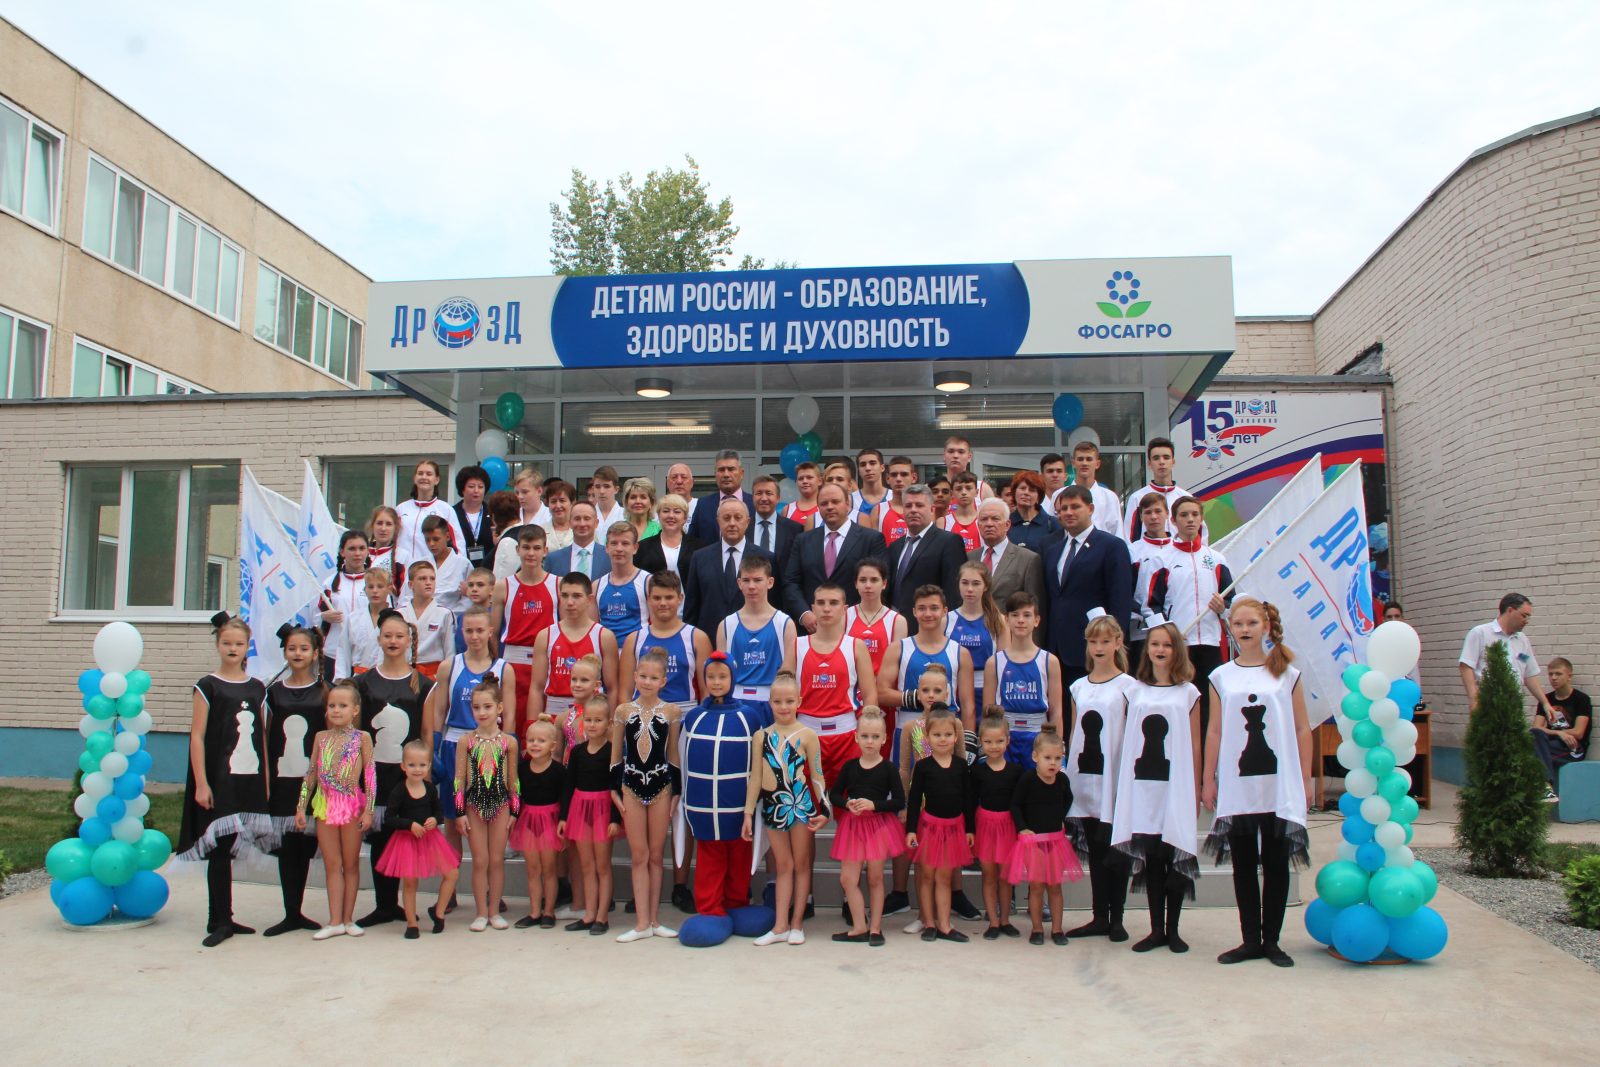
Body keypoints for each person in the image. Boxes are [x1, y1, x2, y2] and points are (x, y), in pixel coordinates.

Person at [1202, 598, 1311, 967]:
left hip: (1277, 783)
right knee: (1244, 862)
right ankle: (1250, 939)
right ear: (1229, 628)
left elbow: (1301, 728)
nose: (1245, 630)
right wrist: (1208, 779)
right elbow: (1215, 731)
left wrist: (1305, 779)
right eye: (1238, 624)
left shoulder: (1286, 674)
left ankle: (1272, 941)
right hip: (1238, 784)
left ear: (1265, 625)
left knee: (1277, 861)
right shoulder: (1221, 677)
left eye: (1251, 623)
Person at [180, 613, 271, 946]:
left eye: (239, 643)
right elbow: (197, 735)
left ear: (248, 647)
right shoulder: (208, 686)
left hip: (247, 776)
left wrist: (266, 781)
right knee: (218, 848)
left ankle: (222, 916)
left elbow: (262, 736)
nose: (233, 648)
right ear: (218, 644)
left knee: (232, 845)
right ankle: (219, 920)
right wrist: (202, 782)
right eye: (227, 643)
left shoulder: (257, 687)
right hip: (219, 778)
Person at [1112, 621, 1201, 953]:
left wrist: (1196, 788)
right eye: (1154, 644)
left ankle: (1174, 929)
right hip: (1143, 786)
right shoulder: (1135, 691)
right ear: (1146, 649)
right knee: (1151, 857)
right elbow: (1128, 741)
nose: (1160, 650)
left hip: (1174, 785)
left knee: (1171, 850)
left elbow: (1194, 744)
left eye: (1167, 645)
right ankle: (1155, 929)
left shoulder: (1188, 693)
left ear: (1177, 650)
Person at [425, 605, 507, 921]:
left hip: (491, 750)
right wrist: (434, 747)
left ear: (490, 632)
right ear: (462, 632)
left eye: (479, 630)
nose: (474, 636)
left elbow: (510, 715)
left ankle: (491, 892)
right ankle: (450, 891)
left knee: (489, 821)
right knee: (452, 823)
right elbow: (439, 709)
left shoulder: (504, 668)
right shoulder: (450, 665)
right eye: (469, 630)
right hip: (454, 745)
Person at [354, 609, 434, 929]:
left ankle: (403, 902)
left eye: (399, 636)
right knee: (380, 839)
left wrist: (426, 777)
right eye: (387, 635)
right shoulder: (363, 682)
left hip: (408, 776)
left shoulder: (423, 684)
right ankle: (383, 905)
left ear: (409, 640)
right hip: (374, 775)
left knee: (403, 839)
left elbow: (426, 732)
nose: (393, 641)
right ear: (378, 639)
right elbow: (358, 734)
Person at [1064, 616, 1137, 942]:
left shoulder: (1129, 687)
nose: (1099, 648)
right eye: (1094, 641)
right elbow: (1074, 733)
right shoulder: (1078, 687)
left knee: (1115, 847)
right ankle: (1099, 916)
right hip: (1085, 777)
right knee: (1094, 848)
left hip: (1113, 777)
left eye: (1106, 641)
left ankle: (1117, 917)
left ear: (1118, 643)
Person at [745, 670, 829, 945]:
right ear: (769, 702)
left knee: (801, 864)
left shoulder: (808, 735)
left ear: (799, 701)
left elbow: (817, 775)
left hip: (800, 807)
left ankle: (797, 924)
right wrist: (748, 813)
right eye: (778, 702)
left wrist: (825, 809)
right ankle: (780, 925)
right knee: (783, 865)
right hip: (773, 807)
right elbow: (756, 777)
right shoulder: (761, 736)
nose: (784, 707)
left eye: (789, 701)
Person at [680, 653, 764, 922]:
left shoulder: (749, 718)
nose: (716, 682)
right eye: (711, 677)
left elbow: (758, 763)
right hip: (705, 807)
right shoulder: (694, 717)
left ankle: (737, 902)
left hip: (739, 805)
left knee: (739, 856)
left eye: (722, 676)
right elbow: (684, 758)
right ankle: (710, 908)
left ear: (733, 678)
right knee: (710, 858)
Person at [1146, 496, 1234, 740]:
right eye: (1184, 515)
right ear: (1173, 521)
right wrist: (1167, 635)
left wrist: (1222, 608)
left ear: (1201, 518)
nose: (1190, 520)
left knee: (1209, 707)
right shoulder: (1162, 559)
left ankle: (1207, 758)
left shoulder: (1216, 559)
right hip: (1179, 646)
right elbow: (1151, 606)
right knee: (1179, 703)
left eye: (1195, 514)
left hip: (1211, 643)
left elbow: (1231, 601)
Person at [296, 679, 375, 940]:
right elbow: (311, 773)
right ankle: (334, 921)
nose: (336, 710)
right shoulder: (321, 738)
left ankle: (348, 919)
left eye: (343, 705)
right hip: (325, 806)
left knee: (350, 864)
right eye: (332, 706)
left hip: (351, 807)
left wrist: (369, 810)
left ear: (355, 709)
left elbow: (370, 776)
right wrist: (301, 806)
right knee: (333, 864)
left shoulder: (362, 738)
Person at [612, 648, 682, 942]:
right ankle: (641, 923)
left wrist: (676, 791)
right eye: (643, 676)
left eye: (654, 678)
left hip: (661, 786)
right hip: (630, 786)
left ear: (663, 681)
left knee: (655, 855)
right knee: (638, 855)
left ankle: (654, 919)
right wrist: (614, 790)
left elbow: (673, 754)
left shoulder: (671, 712)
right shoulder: (623, 711)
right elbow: (616, 755)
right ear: (634, 676)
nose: (647, 682)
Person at [263, 625, 327, 938]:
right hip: (283, 780)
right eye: (292, 648)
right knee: (287, 847)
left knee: (306, 844)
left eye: (304, 648)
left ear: (315, 653)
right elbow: (265, 737)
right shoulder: (273, 693)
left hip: (315, 782)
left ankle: (301, 910)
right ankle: (291, 912)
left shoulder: (325, 692)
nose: (298, 654)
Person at [828, 707, 906, 946]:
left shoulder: (888, 768)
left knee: (875, 878)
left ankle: (875, 929)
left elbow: (899, 801)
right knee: (847, 879)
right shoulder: (850, 767)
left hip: (879, 827)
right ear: (856, 737)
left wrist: (875, 805)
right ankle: (859, 926)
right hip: (853, 826)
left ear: (884, 739)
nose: (870, 741)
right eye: (865, 736)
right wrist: (847, 803)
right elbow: (834, 794)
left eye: (875, 737)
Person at [1043, 485, 1133, 689]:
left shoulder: (1112, 546)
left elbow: (1120, 598)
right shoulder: (1052, 550)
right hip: (1057, 649)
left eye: (1075, 507)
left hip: (1094, 647)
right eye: (1063, 508)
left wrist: (1115, 642)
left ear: (1090, 509)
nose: (1068, 512)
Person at [451, 673, 519, 932]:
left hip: (501, 805)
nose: (482, 712)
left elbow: (513, 780)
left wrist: (514, 811)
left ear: (499, 708)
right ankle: (480, 912)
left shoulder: (508, 742)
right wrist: (460, 812)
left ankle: (494, 911)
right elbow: (459, 779)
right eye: (476, 707)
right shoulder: (465, 741)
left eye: (487, 707)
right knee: (480, 860)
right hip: (474, 806)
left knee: (497, 859)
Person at [376, 739, 461, 939]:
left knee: (452, 873)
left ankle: (439, 912)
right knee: (410, 883)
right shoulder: (399, 790)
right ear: (403, 766)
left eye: (422, 765)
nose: (417, 769)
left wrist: (435, 819)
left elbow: (439, 812)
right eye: (412, 765)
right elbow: (389, 817)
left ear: (429, 766)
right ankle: (412, 923)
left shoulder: (430, 789)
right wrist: (409, 825)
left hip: (430, 839)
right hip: (407, 841)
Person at [1006, 728, 1083, 946]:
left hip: (1055, 841)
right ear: (1035, 757)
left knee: (1055, 886)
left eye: (1058, 758)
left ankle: (1057, 929)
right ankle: (1037, 928)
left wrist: (1060, 819)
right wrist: (1022, 828)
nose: (1053, 763)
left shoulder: (1062, 781)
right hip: (1033, 842)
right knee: (1037, 886)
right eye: (1047, 758)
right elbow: (1015, 804)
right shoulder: (1028, 779)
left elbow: (1068, 799)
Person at [903, 707, 974, 943]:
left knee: (944, 877)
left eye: (947, 735)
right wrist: (911, 829)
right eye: (937, 735)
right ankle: (929, 923)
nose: (942, 739)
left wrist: (970, 829)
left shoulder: (961, 766)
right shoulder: (923, 767)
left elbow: (968, 799)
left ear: (955, 737)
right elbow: (915, 800)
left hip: (953, 828)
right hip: (929, 829)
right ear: (927, 737)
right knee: (927, 876)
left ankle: (944, 925)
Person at [797, 582, 878, 787]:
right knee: (808, 802)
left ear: (844, 609)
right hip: (806, 735)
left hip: (847, 736)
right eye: (821, 603)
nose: (826, 608)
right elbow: (784, 693)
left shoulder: (856, 646)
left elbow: (870, 695)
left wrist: (869, 735)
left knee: (849, 800)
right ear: (813, 608)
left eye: (833, 603)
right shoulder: (797, 645)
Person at [880, 585, 976, 746]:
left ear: (945, 611)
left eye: (934, 608)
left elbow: (968, 705)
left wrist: (968, 743)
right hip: (910, 729)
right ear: (914, 612)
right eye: (922, 608)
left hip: (946, 731)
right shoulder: (898, 648)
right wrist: (916, 697)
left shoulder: (960, 652)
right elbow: (881, 693)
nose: (928, 614)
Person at [784, 482, 887, 628]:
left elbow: (878, 583)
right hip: (812, 627)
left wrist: (854, 617)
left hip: (856, 626)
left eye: (835, 502)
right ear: (818, 507)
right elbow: (791, 582)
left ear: (847, 504)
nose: (830, 507)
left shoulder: (871, 539)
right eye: (824, 503)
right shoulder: (803, 540)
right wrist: (804, 614)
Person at [559, 695, 620, 935]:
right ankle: (589, 914)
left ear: (608, 723)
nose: (593, 725)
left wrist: (615, 819)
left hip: (603, 810)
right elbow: (568, 786)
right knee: (586, 865)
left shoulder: (612, 753)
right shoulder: (577, 752)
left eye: (598, 720)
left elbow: (616, 788)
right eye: (589, 720)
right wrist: (563, 817)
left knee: (602, 866)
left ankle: (602, 917)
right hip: (580, 810)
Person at [491, 525, 558, 739]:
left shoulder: (557, 584)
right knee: (512, 721)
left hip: (546, 664)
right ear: (517, 550)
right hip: (514, 664)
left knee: (542, 725)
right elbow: (493, 633)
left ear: (545, 551)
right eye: (526, 547)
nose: (531, 553)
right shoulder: (503, 586)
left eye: (536, 548)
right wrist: (496, 666)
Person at [987, 592, 1063, 773]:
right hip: (1005, 738)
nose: (1021, 620)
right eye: (1015, 615)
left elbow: (1056, 710)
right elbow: (989, 712)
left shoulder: (1049, 661)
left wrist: (1057, 748)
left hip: (1038, 737)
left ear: (1036, 620)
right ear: (1006, 619)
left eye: (1027, 615)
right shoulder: (994, 662)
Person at [717, 555, 796, 728]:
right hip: (735, 701)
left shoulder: (784, 623)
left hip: (772, 702)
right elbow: (721, 673)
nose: (751, 586)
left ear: (770, 582)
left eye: (758, 580)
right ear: (739, 583)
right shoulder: (727, 625)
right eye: (746, 580)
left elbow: (789, 672)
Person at [1459, 593, 1556, 719]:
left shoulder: (1522, 640)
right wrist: (1474, 699)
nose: (1526, 621)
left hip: (1514, 707)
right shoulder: (1480, 633)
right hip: (1487, 705)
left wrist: (1545, 703)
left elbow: (1529, 674)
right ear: (1510, 610)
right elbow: (1466, 666)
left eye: (1528, 617)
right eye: (1524, 615)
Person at [684, 497, 773, 635]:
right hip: (708, 638)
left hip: (753, 637)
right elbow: (692, 606)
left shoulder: (766, 557)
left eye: (738, 518)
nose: (732, 523)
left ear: (748, 522)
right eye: (726, 518)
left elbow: (773, 603)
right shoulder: (700, 558)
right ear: (718, 521)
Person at [969, 711, 1022, 939]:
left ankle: (1005, 920)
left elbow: (1019, 803)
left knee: (1005, 877)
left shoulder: (1016, 772)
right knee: (989, 875)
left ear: (1008, 740)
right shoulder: (977, 772)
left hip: (1008, 827)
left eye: (999, 741)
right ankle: (992, 921)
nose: (994, 746)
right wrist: (970, 830)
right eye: (988, 742)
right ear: (981, 742)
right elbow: (971, 802)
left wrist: (1021, 828)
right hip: (985, 826)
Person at [509, 720, 565, 928]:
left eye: (541, 741)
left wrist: (563, 822)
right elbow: (516, 795)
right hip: (529, 821)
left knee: (549, 869)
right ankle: (534, 912)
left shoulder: (559, 771)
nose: (535, 744)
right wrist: (514, 815)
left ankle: (549, 912)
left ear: (552, 745)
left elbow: (565, 798)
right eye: (531, 740)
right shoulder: (522, 769)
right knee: (533, 869)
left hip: (550, 821)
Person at [887, 483, 966, 616]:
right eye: (908, 506)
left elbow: (954, 593)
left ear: (932, 509)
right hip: (895, 623)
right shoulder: (895, 547)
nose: (913, 510)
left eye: (919, 505)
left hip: (930, 622)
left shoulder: (949, 542)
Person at [972, 498, 1046, 641]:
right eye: (984, 519)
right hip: (973, 639)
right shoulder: (970, 558)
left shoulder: (1028, 559)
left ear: (1007, 525)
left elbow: (1035, 608)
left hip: (1011, 640)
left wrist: (1031, 648)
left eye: (995, 519)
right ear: (978, 525)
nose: (989, 524)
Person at [1532, 657, 1591, 800]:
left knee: (1531, 757)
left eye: (1558, 674)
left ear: (1569, 676)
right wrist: (1560, 733)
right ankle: (1546, 786)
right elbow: (1536, 728)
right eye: (1550, 674)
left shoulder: (1581, 699)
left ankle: (1545, 787)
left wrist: (1558, 734)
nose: (1553, 678)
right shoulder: (1546, 700)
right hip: (1550, 745)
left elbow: (1578, 733)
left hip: (1572, 748)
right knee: (1534, 734)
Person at [948, 561, 1003, 710]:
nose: (970, 589)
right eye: (965, 583)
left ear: (985, 586)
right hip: (954, 689)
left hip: (987, 690)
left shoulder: (998, 620)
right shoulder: (945, 620)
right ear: (958, 584)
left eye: (976, 583)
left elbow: (1003, 664)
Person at [316, 529, 370, 680]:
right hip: (333, 653)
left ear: (368, 551)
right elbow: (315, 616)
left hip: (366, 654)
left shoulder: (375, 582)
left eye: (362, 548)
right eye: (352, 548)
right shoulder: (329, 583)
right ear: (342, 552)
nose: (357, 553)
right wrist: (324, 616)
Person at [1128, 492, 1173, 669]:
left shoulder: (1179, 549)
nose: (1153, 517)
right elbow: (1126, 590)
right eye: (1147, 512)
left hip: (1177, 630)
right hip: (1141, 632)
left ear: (1167, 513)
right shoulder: (1132, 551)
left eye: (1158, 511)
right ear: (1141, 517)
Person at [1121, 438, 1196, 543]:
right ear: (1149, 464)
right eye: (1156, 458)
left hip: (1181, 553)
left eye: (1166, 458)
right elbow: (1128, 538)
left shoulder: (1186, 498)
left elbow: (1199, 534)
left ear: (1173, 462)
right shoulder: (1137, 498)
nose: (1161, 462)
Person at [395, 459, 465, 568]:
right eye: (420, 473)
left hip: (430, 571)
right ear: (415, 478)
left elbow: (458, 544)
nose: (424, 477)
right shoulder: (401, 509)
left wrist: (458, 569)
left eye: (429, 474)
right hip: (402, 570)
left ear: (436, 480)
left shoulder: (445, 509)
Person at [845, 558, 906, 681]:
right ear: (856, 584)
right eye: (863, 580)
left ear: (884, 584)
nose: (868, 585)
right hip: (850, 688)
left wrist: (872, 688)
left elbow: (897, 664)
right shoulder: (844, 616)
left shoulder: (897, 621)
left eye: (874, 580)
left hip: (882, 688)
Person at [594, 522, 650, 642]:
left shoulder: (648, 582)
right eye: (614, 543)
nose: (619, 549)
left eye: (625, 543)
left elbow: (657, 626)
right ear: (607, 547)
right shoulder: (596, 585)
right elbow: (592, 628)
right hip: (605, 650)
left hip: (638, 649)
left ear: (635, 548)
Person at [634, 492, 705, 585]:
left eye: (677, 512)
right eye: (666, 511)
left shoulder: (699, 548)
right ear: (658, 515)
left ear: (685, 518)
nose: (671, 516)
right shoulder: (642, 547)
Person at [400, 561, 454, 680]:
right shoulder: (399, 614)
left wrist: (445, 679)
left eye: (432, 579)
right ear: (411, 584)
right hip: (403, 672)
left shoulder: (445, 614)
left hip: (434, 674)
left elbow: (450, 653)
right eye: (422, 579)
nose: (428, 582)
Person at [687, 449, 754, 543]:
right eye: (721, 470)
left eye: (731, 469)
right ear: (715, 474)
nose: (726, 474)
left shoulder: (754, 504)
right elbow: (691, 541)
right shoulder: (703, 505)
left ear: (741, 473)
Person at [337, 567, 391, 680]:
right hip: (359, 677)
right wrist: (341, 677)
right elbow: (343, 649)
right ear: (365, 590)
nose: (375, 591)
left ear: (389, 589)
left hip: (387, 677)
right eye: (370, 587)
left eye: (380, 586)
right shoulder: (354, 618)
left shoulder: (397, 618)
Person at [746, 474, 803, 578]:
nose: (764, 498)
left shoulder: (794, 529)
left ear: (778, 498)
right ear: (753, 497)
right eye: (759, 493)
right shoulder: (743, 528)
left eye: (769, 493)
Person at [1072, 441, 1123, 538]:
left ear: (1097, 464)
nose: (1084, 463)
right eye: (1080, 459)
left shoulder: (1110, 497)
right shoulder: (1059, 495)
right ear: (1073, 463)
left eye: (1089, 459)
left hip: (1104, 547)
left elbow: (1118, 534)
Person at [545, 502, 607, 580]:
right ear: (570, 523)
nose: (582, 524)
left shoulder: (609, 557)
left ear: (596, 523)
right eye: (577, 519)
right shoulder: (553, 559)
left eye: (587, 518)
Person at [1007, 470, 1061, 553]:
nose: (1026, 493)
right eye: (1022, 488)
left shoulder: (1052, 523)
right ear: (1014, 492)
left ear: (1039, 497)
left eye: (1032, 490)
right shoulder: (1005, 522)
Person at [453, 465, 495, 568]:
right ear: (462, 489)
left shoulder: (494, 514)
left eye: (480, 487)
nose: (476, 491)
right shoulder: (452, 513)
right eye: (471, 486)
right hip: (459, 568)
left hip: (488, 570)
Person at [871, 455, 916, 544]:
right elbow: (872, 545)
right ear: (888, 478)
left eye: (904, 474)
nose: (898, 479)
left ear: (913, 478)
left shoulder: (924, 510)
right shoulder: (878, 510)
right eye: (894, 475)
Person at [942, 435, 994, 501]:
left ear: (969, 457)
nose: (955, 456)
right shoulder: (932, 489)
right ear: (944, 456)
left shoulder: (983, 489)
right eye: (951, 451)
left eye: (961, 452)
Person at [942, 470, 982, 552]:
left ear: (977, 492)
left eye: (968, 488)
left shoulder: (984, 521)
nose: (963, 492)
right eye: (959, 489)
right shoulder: (943, 522)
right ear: (952, 493)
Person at [365, 505, 403, 588]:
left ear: (395, 528)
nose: (383, 528)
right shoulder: (361, 553)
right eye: (379, 523)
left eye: (388, 524)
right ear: (372, 525)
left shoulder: (402, 557)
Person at [852, 448, 890, 528]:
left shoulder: (894, 497)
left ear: (882, 468)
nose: (868, 468)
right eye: (863, 465)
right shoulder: (850, 500)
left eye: (872, 463)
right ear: (858, 470)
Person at [783, 461, 823, 529]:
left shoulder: (826, 508)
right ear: (796, 482)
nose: (805, 481)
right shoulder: (787, 510)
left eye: (809, 477)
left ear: (820, 481)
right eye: (801, 478)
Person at [540, 479, 576, 553]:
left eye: (562, 501)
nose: (558, 506)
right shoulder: (540, 531)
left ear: (572, 502)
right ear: (548, 504)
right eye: (553, 501)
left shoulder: (583, 528)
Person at [588, 465, 626, 531]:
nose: (601, 491)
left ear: (616, 489)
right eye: (597, 487)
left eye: (606, 486)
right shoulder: (587, 515)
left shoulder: (626, 515)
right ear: (593, 489)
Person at [623, 477, 661, 542]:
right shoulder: (617, 530)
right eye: (633, 497)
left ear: (651, 502)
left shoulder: (659, 530)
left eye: (643, 497)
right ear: (626, 502)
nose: (638, 501)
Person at [666, 462, 698, 526]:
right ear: (667, 483)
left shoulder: (701, 507)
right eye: (674, 477)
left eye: (684, 477)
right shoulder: (658, 510)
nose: (679, 481)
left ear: (692, 482)